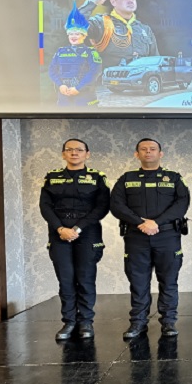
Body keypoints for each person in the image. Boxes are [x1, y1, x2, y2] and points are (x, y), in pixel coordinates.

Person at [110, 138, 189, 339]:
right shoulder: (126, 179)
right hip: (136, 237)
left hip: (167, 236)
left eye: (153, 149)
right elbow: (116, 205)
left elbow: (182, 204)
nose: (148, 152)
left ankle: (168, 322)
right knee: (138, 282)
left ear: (160, 154)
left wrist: (156, 222)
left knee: (169, 281)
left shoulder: (173, 178)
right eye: (143, 149)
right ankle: (138, 322)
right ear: (136, 154)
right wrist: (140, 222)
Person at [39, 138, 110, 340]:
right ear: (63, 154)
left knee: (85, 278)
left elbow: (102, 207)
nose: (74, 153)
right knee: (66, 279)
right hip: (59, 233)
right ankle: (69, 322)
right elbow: (45, 206)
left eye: (79, 150)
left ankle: (86, 321)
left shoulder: (97, 177)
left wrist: (77, 228)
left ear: (87, 154)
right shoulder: (52, 177)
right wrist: (60, 228)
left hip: (87, 232)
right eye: (69, 150)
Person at [78, 0, 159, 70]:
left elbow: (156, 61)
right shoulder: (101, 23)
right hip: (110, 80)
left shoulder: (145, 29)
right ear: (113, 2)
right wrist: (93, 2)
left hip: (140, 80)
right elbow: (75, 25)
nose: (130, 0)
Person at [48, 2, 102, 106]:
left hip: (85, 98)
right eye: (71, 34)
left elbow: (95, 72)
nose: (73, 36)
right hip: (64, 98)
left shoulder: (91, 52)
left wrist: (78, 88)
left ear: (84, 36)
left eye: (77, 34)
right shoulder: (60, 52)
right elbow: (52, 70)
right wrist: (60, 85)